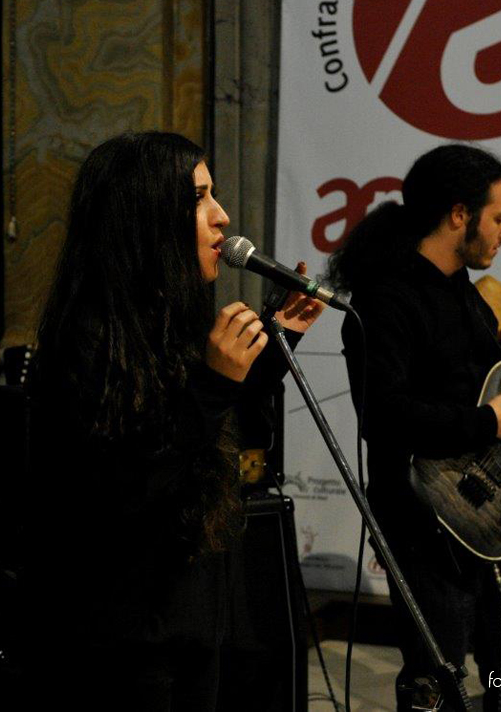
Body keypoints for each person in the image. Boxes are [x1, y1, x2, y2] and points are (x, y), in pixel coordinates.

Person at [25, 131, 324, 710]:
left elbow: (210, 425)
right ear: (147, 216)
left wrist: (275, 342)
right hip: (124, 638)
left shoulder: (171, 313)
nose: (222, 217)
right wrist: (214, 383)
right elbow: (129, 484)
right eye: (199, 198)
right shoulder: (87, 338)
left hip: (188, 616)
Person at [326, 144, 501, 711]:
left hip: (491, 514)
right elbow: (384, 415)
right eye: (500, 217)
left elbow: (494, 393)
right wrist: (487, 421)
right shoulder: (386, 299)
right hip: (424, 523)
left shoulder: (465, 296)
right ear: (459, 214)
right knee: (439, 688)